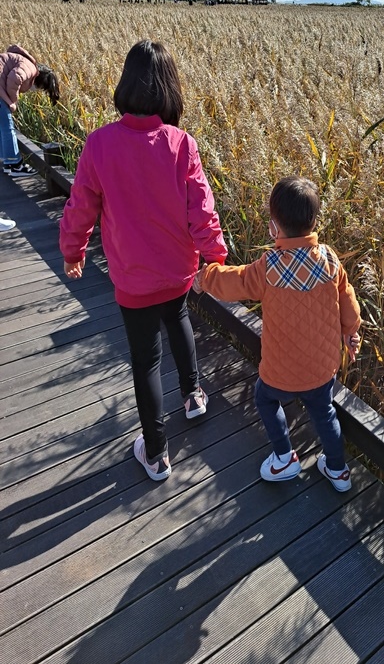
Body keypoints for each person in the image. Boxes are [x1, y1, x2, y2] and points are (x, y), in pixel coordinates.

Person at [59, 40, 228, 482]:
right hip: (178, 271)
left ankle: (156, 455)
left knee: (145, 361)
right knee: (179, 320)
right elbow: (202, 209)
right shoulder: (181, 144)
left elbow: (81, 207)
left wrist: (73, 251)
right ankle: (193, 396)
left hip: (132, 280)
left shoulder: (99, 144)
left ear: (125, 86)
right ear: (170, 90)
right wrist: (215, 257)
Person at [194, 176, 362, 492]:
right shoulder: (329, 259)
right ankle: (338, 471)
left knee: (265, 398)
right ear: (314, 221)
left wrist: (206, 277)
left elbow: (236, 282)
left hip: (280, 371)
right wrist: (350, 332)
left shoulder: (269, 267)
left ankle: (284, 458)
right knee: (324, 413)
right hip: (322, 367)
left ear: (274, 226)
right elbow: (347, 299)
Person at [0, 45, 60, 176]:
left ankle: (5, 159)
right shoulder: (30, 69)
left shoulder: (25, 63)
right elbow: (14, 78)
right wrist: (13, 101)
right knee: (7, 126)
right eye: (42, 88)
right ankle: (14, 164)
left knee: (2, 124)